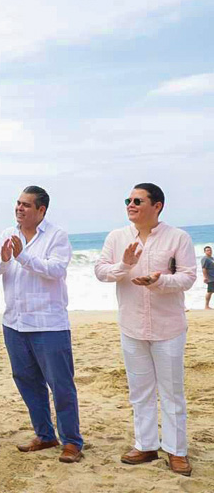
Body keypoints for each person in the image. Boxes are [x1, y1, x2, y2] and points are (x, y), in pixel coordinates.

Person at [95, 183, 197, 476]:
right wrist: (124, 265)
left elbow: (188, 278)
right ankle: (146, 444)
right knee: (139, 391)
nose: (130, 204)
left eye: (138, 200)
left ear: (157, 206)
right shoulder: (117, 237)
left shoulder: (178, 237)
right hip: (132, 325)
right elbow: (101, 271)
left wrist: (159, 281)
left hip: (169, 327)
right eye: (128, 199)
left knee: (172, 391)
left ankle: (177, 452)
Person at [0, 186, 83, 463]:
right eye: (18, 203)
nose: (19, 208)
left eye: (26, 205)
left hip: (48, 324)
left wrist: (23, 256)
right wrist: (5, 259)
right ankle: (45, 434)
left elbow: (56, 270)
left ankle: (72, 441)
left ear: (41, 210)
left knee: (61, 385)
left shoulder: (57, 236)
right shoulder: (7, 233)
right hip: (14, 322)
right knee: (27, 382)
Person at [202, 246, 214, 310]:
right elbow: (204, 268)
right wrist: (205, 277)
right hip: (210, 278)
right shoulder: (205, 259)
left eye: (210, 250)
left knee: (211, 291)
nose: (209, 251)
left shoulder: (212, 258)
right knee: (210, 291)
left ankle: (207, 306)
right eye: (207, 250)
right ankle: (206, 306)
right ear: (205, 252)